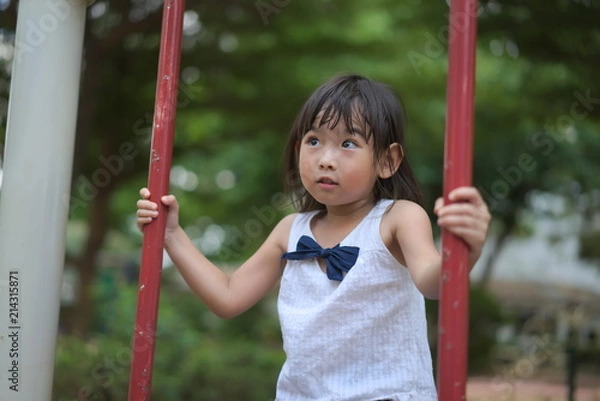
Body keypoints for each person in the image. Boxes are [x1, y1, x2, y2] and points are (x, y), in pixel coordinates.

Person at [136, 74, 491, 401]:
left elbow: (432, 282)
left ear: (387, 160)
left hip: (386, 394)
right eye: (314, 141)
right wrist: (173, 236)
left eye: (348, 143)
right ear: (297, 150)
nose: (325, 159)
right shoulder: (291, 230)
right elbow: (228, 298)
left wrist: (464, 253)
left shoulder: (397, 218)